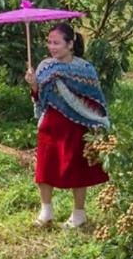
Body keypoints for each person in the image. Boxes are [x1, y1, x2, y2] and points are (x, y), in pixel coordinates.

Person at [25, 21, 111, 228]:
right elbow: (40, 98)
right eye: (49, 43)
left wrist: (95, 122)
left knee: (77, 170)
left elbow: (94, 99)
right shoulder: (46, 66)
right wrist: (34, 84)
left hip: (76, 126)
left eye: (57, 43)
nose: (52, 47)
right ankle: (46, 212)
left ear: (70, 44)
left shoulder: (85, 69)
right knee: (44, 169)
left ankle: (79, 215)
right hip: (50, 125)